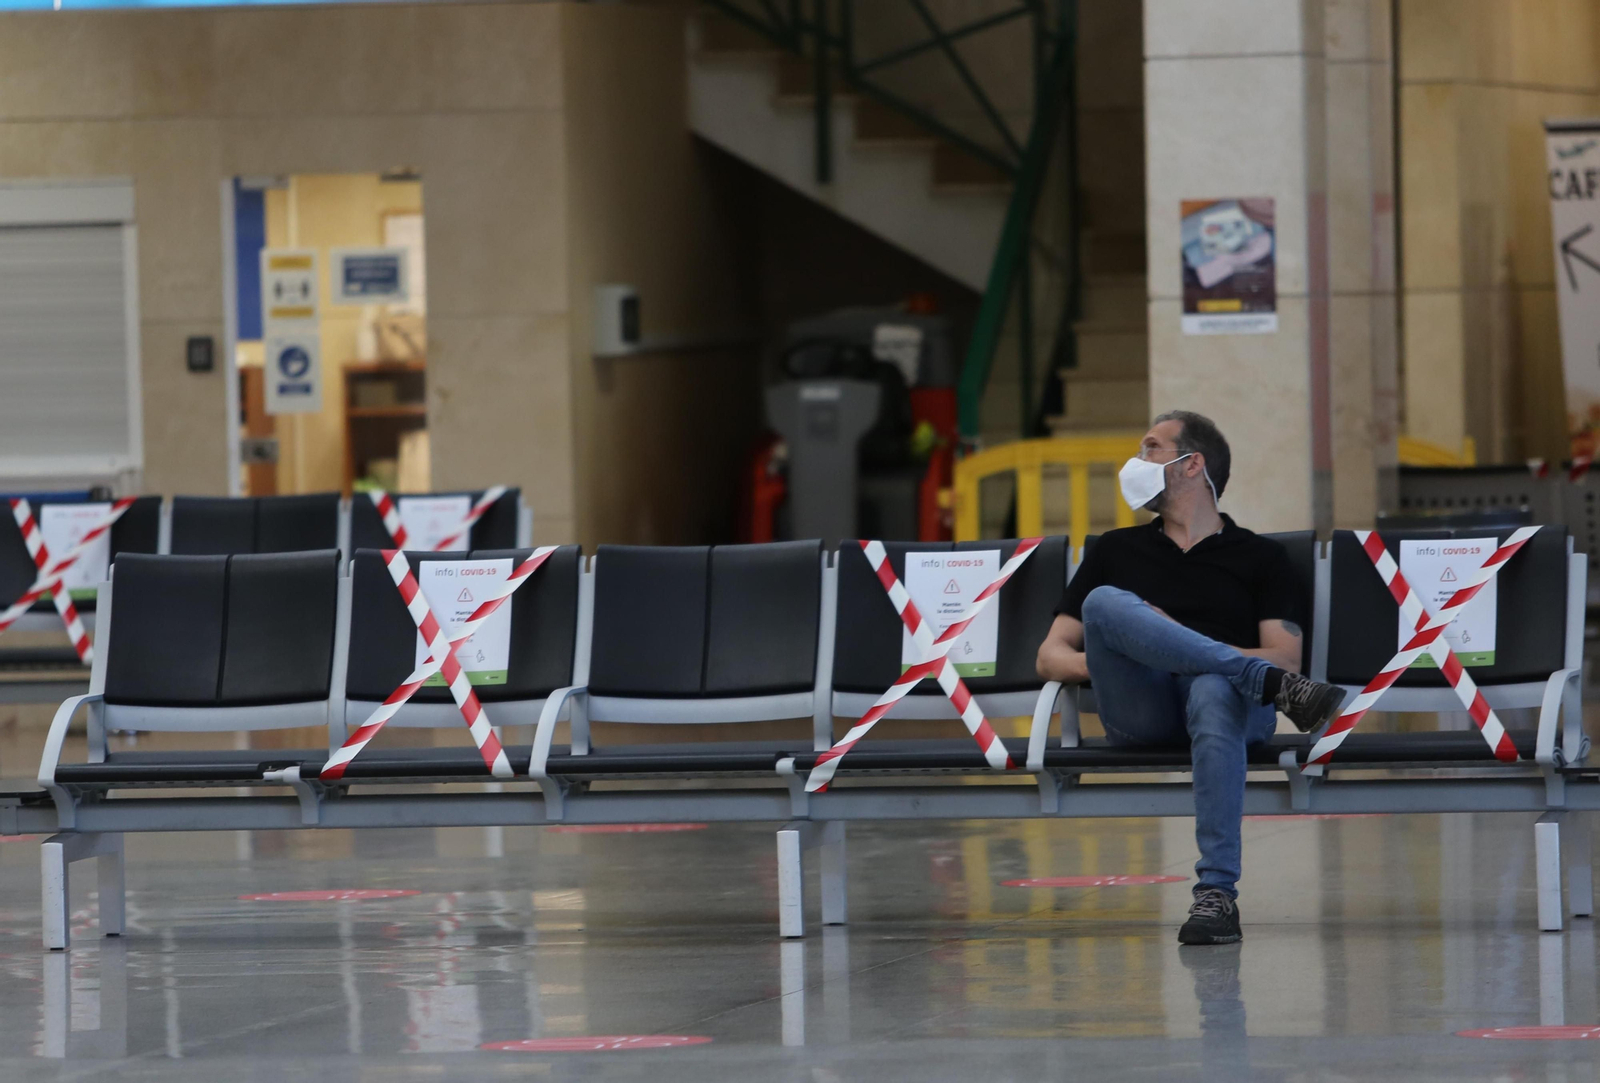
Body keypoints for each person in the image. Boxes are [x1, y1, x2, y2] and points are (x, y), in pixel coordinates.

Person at [1035, 410, 1345, 945]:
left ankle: (1216, 896)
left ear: (1191, 463)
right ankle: (1245, 678)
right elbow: (1050, 656)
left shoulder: (1260, 557)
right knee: (1106, 602)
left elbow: (1286, 661)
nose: (1137, 461)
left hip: (1228, 712)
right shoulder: (1114, 549)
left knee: (1210, 685)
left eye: (1151, 448)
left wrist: (1188, 657)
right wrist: (1126, 659)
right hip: (1142, 709)